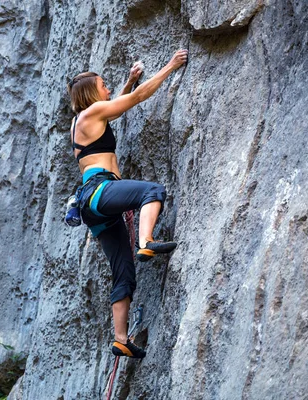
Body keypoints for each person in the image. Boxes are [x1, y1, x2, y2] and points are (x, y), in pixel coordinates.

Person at [67, 49, 188, 358]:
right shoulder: (91, 115)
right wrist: (169, 67)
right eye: (104, 85)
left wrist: (129, 82)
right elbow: (133, 102)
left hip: (91, 205)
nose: (108, 88)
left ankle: (121, 338)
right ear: (92, 92)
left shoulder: (81, 120)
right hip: (100, 189)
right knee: (152, 191)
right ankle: (146, 241)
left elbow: (115, 108)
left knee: (123, 271)